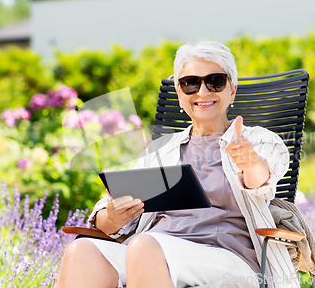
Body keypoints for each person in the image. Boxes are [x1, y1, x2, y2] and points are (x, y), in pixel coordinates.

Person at [55, 41, 299, 288]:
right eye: (190, 83)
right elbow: (107, 221)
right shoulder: (161, 150)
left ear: (232, 91)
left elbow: (261, 181)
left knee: (145, 246)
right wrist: (113, 216)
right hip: (152, 250)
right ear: (180, 94)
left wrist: (249, 161)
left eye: (215, 81)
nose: (202, 92)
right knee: (82, 252)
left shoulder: (257, 140)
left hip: (227, 258)